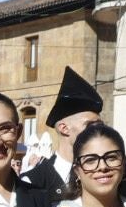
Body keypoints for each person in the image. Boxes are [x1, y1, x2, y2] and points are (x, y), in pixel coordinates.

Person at [22, 66, 102, 195]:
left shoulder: (103, 176)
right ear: (64, 129)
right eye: (90, 126)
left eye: (100, 126)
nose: (99, 132)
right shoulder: (34, 182)